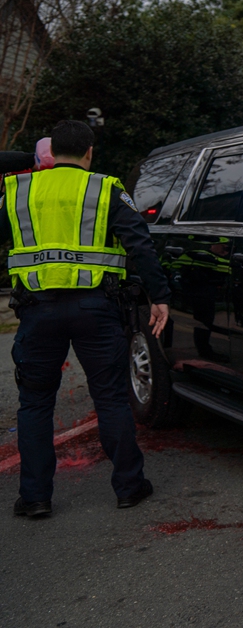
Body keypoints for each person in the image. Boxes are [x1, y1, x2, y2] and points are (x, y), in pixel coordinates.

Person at [3, 120, 171, 519]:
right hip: (96, 310)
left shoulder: (17, 190)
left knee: (35, 404)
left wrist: (28, 161)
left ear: (48, 152)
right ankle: (129, 487)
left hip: (37, 310)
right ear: (90, 152)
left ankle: (35, 497)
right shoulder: (105, 188)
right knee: (111, 397)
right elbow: (139, 243)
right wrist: (159, 296)